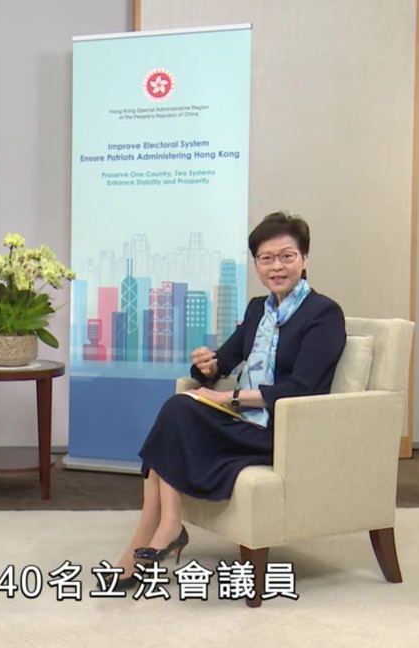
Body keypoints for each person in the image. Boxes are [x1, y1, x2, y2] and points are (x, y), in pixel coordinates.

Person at [107, 211, 346, 588]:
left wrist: (227, 398)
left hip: (281, 430)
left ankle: (160, 533)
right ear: (256, 264)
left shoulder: (324, 314)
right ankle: (160, 532)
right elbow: (223, 361)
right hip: (244, 422)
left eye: (287, 256)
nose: (277, 266)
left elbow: (300, 388)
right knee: (180, 410)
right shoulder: (257, 310)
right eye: (266, 259)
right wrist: (205, 365)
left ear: (305, 259)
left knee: (179, 410)